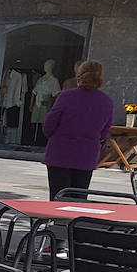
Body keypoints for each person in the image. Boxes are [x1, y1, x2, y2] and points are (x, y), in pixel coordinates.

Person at [43, 60, 113, 199]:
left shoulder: (66, 96)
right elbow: (105, 132)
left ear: (79, 75)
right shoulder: (106, 101)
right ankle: (75, 221)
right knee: (79, 198)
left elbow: (49, 124)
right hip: (87, 154)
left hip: (61, 152)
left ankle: (58, 221)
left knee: (58, 196)